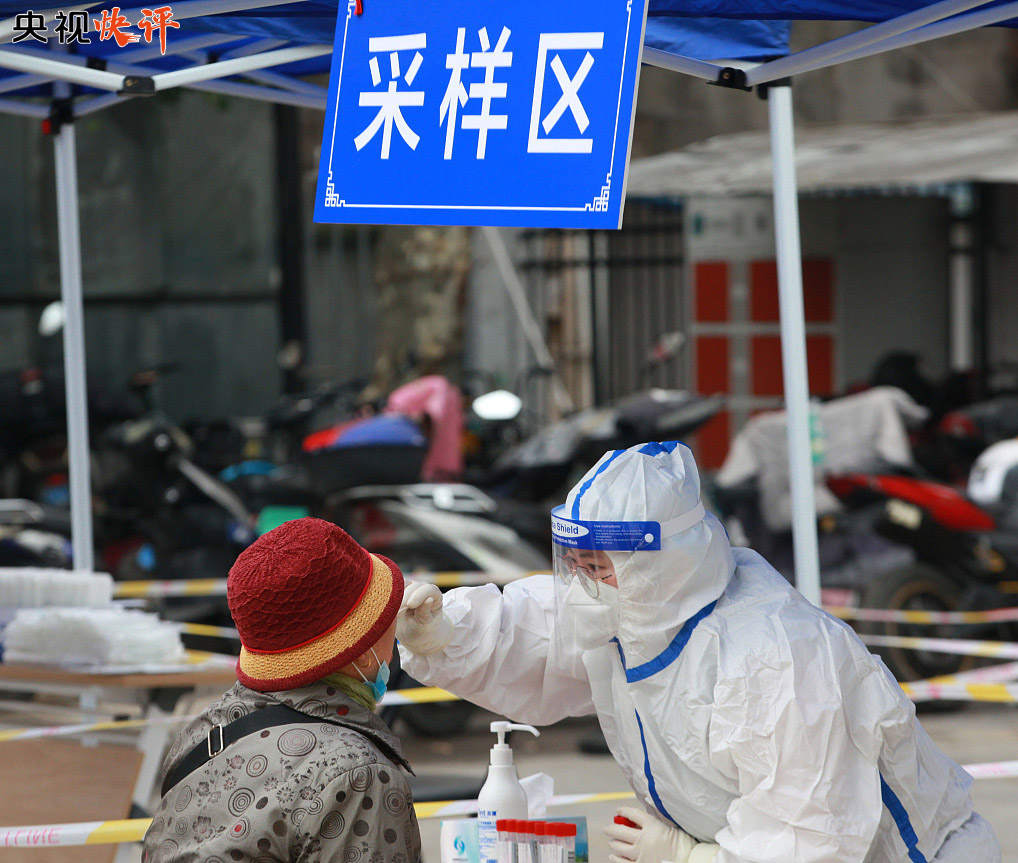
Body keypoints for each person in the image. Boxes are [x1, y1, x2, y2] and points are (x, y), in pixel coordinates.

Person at [396, 442, 1001, 863]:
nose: (582, 582)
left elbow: (810, 835)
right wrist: (444, 634)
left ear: (665, 557)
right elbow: (538, 635)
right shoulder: (637, 608)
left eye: (598, 565)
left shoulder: (774, 656)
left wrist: (689, 854)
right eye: (575, 565)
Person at [143, 517, 421, 863]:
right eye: (385, 620)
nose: (394, 637)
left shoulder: (202, 734)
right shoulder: (358, 776)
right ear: (362, 656)